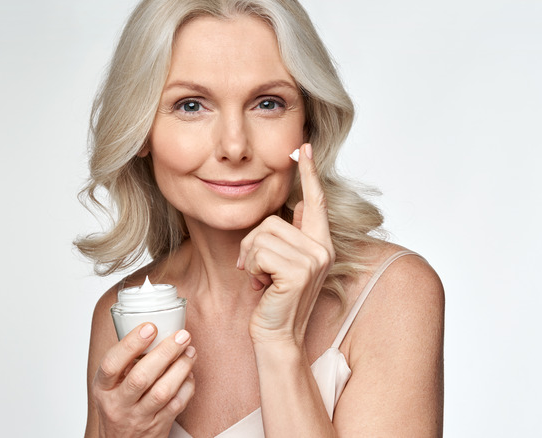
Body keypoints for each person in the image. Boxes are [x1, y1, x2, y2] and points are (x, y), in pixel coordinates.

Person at [76, 0, 444, 436]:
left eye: (267, 103)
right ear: (141, 132)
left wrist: (280, 344)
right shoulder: (123, 312)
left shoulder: (393, 293)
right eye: (191, 106)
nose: (234, 146)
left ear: (308, 123)